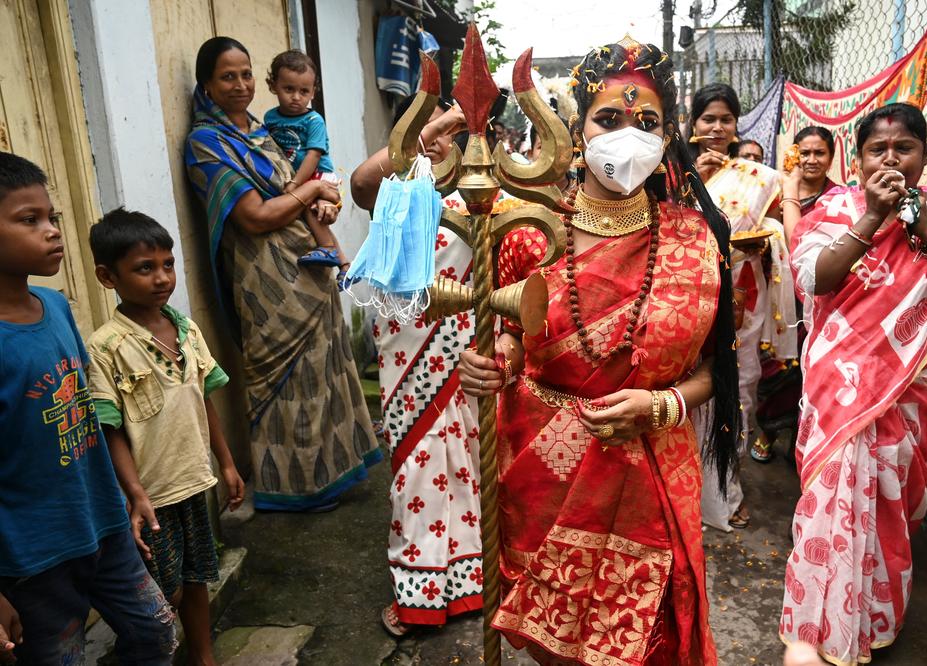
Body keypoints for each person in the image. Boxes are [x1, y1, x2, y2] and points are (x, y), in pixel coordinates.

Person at [458, 37, 741, 664]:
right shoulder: (530, 232)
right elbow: (512, 341)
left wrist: (660, 404)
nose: (627, 137)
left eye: (647, 123)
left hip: (649, 464)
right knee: (553, 639)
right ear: (578, 131)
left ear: (668, 138)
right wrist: (492, 365)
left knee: (645, 641)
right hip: (546, 467)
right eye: (608, 119)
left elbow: (710, 373)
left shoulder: (697, 240)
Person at [782, 103, 927, 664]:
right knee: (832, 492)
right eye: (878, 149)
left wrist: (921, 227)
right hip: (840, 382)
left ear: (925, 155)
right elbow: (816, 280)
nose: (891, 159)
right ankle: (817, 623)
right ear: (858, 159)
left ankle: (873, 615)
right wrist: (871, 218)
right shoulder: (834, 208)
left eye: (904, 148)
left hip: (908, 389)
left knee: (887, 501)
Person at [185, 36, 380, 513]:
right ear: (207, 85)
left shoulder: (263, 130)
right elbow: (254, 217)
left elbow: (304, 186)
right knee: (286, 384)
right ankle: (293, 488)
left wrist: (324, 202)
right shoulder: (205, 145)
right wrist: (310, 190)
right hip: (264, 282)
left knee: (325, 371)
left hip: (309, 267)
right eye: (227, 76)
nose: (240, 84)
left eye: (245, 74)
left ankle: (332, 474)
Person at [0, 152, 176, 664]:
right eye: (29, 220)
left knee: (155, 631)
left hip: (103, 525)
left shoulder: (55, 306)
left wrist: (128, 493)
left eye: (51, 217)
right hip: (31, 558)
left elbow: (85, 413)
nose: (53, 231)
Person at [350, 95, 487, 636]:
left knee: (470, 462)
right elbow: (360, 183)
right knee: (417, 466)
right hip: (408, 354)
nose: (443, 141)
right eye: (429, 129)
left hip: (465, 348)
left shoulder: (483, 191)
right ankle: (419, 592)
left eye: (456, 132)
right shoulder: (396, 185)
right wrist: (431, 131)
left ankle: (470, 582)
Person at [85, 209, 245, 665]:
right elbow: (110, 427)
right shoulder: (107, 347)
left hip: (192, 481)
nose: (162, 278)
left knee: (196, 578)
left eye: (168, 265)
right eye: (144, 268)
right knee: (161, 591)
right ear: (106, 276)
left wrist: (227, 463)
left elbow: (202, 398)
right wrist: (134, 493)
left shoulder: (188, 331)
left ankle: (204, 656)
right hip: (151, 497)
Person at [689, 82, 797, 530]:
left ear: (737, 125)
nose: (717, 127)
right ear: (693, 123)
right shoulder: (672, 169)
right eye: (708, 118)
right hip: (689, 296)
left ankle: (727, 493)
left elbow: (783, 233)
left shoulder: (759, 176)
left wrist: (766, 239)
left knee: (739, 392)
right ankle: (686, 493)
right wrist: (693, 177)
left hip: (742, 299)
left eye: (725, 119)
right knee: (691, 392)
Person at [752, 126, 840, 463]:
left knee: (808, 373)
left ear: (831, 157)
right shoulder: (775, 193)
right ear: (794, 155)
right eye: (805, 153)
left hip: (817, 300)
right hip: (776, 296)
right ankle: (767, 431)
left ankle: (801, 440)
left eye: (820, 153)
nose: (812, 160)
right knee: (775, 367)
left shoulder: (838, 199)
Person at [264, 49, 349, 282]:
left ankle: (329, 251)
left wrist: (295, 183)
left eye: (304, 91)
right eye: (288, 89)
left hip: (320, 176)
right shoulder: (270, 118)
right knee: (318, 219)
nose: (296, 97)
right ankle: (344, 266)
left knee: (313, 213)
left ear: (313, 91)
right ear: (273, 86)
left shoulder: (313, 120)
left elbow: (313, 155)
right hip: (301, 178)